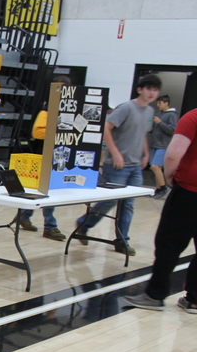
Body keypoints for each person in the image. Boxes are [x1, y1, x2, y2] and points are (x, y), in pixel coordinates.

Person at [75, 74, 161, 256]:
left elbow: (143, 134)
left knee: (128, 204)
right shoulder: (127, 108)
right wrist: (115, 154)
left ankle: (122, 241)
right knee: (110, 201)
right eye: (149, 89)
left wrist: (145, 154)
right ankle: (84, 223)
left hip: (135, 165)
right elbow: (106, 128)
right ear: (140, 89)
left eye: (155, 90)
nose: (152, 93)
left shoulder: (149, 112)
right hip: (117, 165)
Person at [123, 108, 197, 314]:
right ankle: (194, 300)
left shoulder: (193, 117)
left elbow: (173, 154)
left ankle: (155, 295)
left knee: (169, 243)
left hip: (190, 191)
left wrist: (169, 176)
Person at [17, 75, 72, 240]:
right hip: (43, 156)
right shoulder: (46, 110)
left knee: (45, 191)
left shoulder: (68, 110)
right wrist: (58, 130)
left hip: (60, 155)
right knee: (46, 191)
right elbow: (37, 132)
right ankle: (50, 226)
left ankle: (24, 216)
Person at [149, 95, 178, 199]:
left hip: (163, 145)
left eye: (160, 103)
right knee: (157, 168)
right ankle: (159, 189)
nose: (158, 105)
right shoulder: (159, 114)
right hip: (155, 144)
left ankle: (164, 187)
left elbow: (172, 130)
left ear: (166, 103)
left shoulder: (172, 115)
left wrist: (160, 123)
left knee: (155, 166)